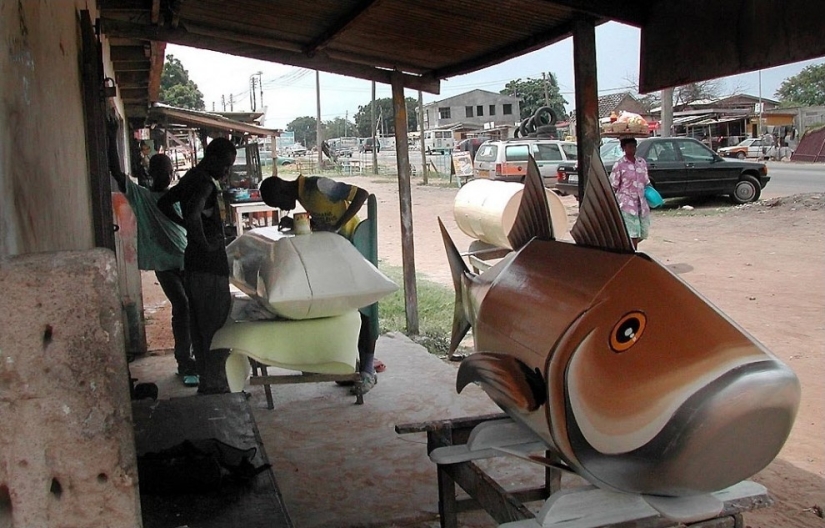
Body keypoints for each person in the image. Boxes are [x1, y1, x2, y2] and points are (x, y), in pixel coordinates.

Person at [259, 174, 383, 394]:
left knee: (364, 311)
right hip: (336, 254)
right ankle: (345, 363)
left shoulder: (316, 186)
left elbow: (361, 195)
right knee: (339, 311)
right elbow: (323, 219)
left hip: (355, 246)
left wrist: (337, 225)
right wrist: (307, 224)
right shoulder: (304, 198)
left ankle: (366, 371)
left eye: (279, 204)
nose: (283, 208)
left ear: (281, 190)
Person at [106, 120, 197, 387]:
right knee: (182, 306)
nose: (166, 175)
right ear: (151, 172)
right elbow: (114, 169)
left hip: (186, 258)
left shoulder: (178, 195)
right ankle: (185, 362)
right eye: (161, 170)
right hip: (166, 264)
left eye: (168, 170)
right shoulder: (141, 196)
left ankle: (194, 359)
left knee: (193, 309)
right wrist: (112, 135)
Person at [158, 137, 237, 395]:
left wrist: (187, 230)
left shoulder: (191, 177)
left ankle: (207, 381)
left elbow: (164, 202)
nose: (227, 171)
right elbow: (194, 215)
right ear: (211, 158)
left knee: (200, 326)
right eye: (225, 165)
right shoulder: (205, 184)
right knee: (216, 327)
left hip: (192, 263)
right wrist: (206, 243)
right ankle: (216, 383)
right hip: (209, 266)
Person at [609, 137, 650, 250]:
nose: (633, 149)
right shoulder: (619, 165)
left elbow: (646, 181)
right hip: (626, 203)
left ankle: (629, 248)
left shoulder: (641, 163)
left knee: (642, 231)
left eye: (634, 146)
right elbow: (613, 185)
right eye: (630, 146)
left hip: (641, 203)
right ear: (623, 148)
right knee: (632, 233)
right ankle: (632, 254)